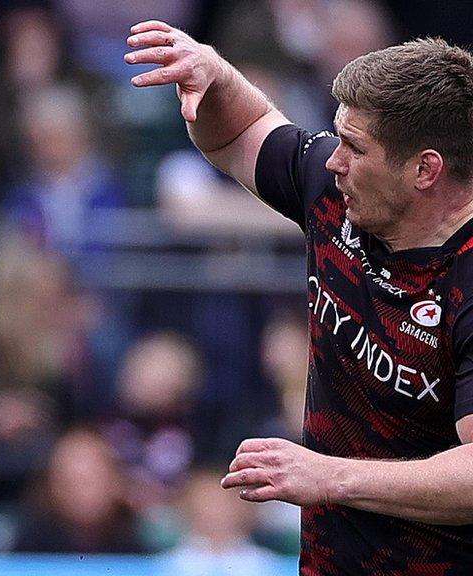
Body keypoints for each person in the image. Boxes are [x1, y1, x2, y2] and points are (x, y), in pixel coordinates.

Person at [126, 19, 473, 574]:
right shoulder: (340, 196)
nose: (333, 160)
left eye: (355, 148)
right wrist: (215, 75)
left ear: (424, 169)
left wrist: (328, 476)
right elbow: (241, 132)